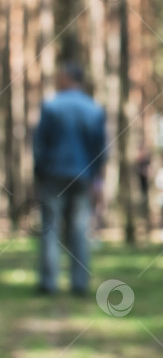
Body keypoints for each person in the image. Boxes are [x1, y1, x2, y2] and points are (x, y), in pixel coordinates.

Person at [33, 63, 106, 296]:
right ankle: (80, 283)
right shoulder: (94, 109)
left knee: (50, 229)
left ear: (67, 78)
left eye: (59, 77)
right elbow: (100, 150)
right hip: (83, 177)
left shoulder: (51, 106)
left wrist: (39, 173)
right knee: (79, 230)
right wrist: (96, 179)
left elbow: (39, 145)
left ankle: (49, 283)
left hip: (53, 176)